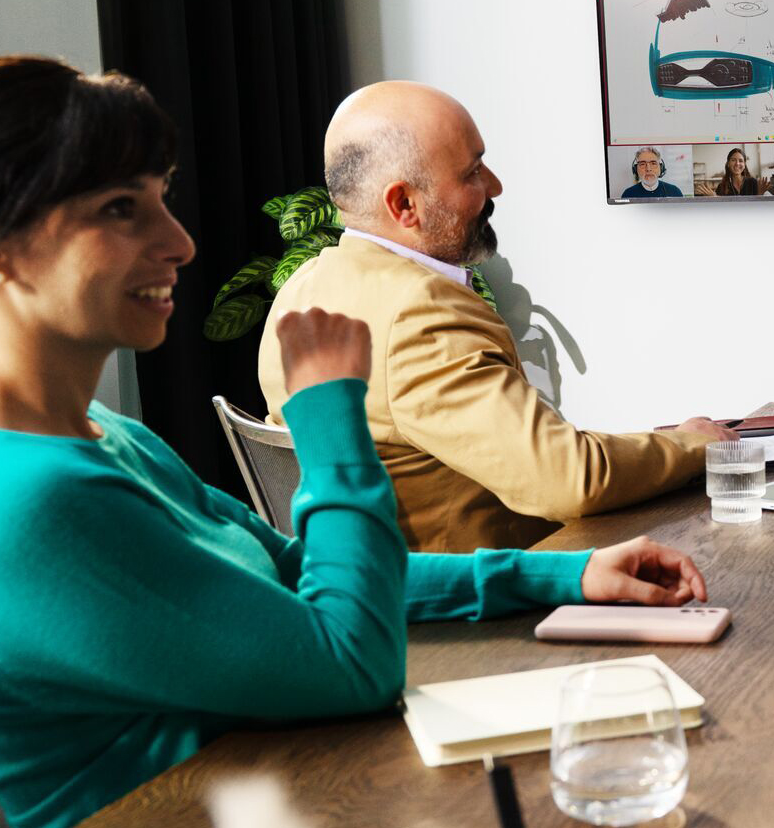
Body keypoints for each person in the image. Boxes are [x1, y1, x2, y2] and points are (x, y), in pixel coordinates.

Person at [0, 56, 714, 828]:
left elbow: (291, 569)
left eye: (162, 199)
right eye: (121, 208)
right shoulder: (28, 503)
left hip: (296, 812)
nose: (180, 243)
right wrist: (331, 416)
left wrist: (563, 575)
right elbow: (351, 666)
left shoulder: (106, 435)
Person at [260, 82, 734, 553]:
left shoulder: (302, 290)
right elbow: (567, 478)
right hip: (492, 590)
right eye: (472, 173)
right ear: (403, 204)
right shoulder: (418, 317)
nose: (495, 186)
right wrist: (693, 445)